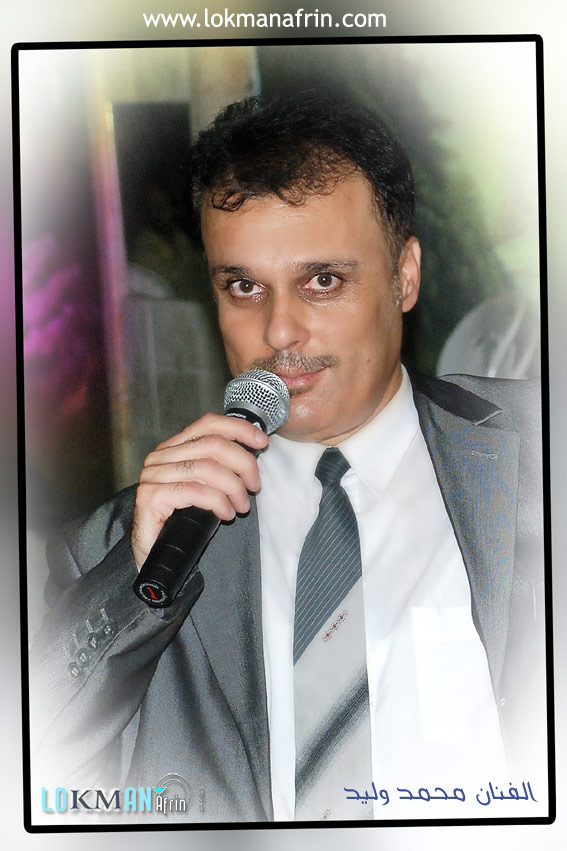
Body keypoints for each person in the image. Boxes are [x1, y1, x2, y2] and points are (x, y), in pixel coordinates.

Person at [30, 93, 546, 824]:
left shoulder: (537, 451)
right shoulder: (129, 542)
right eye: (244, 286)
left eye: (322, 281)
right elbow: (35, 781)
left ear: (404, 275)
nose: (278, 331)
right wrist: (137, 577)